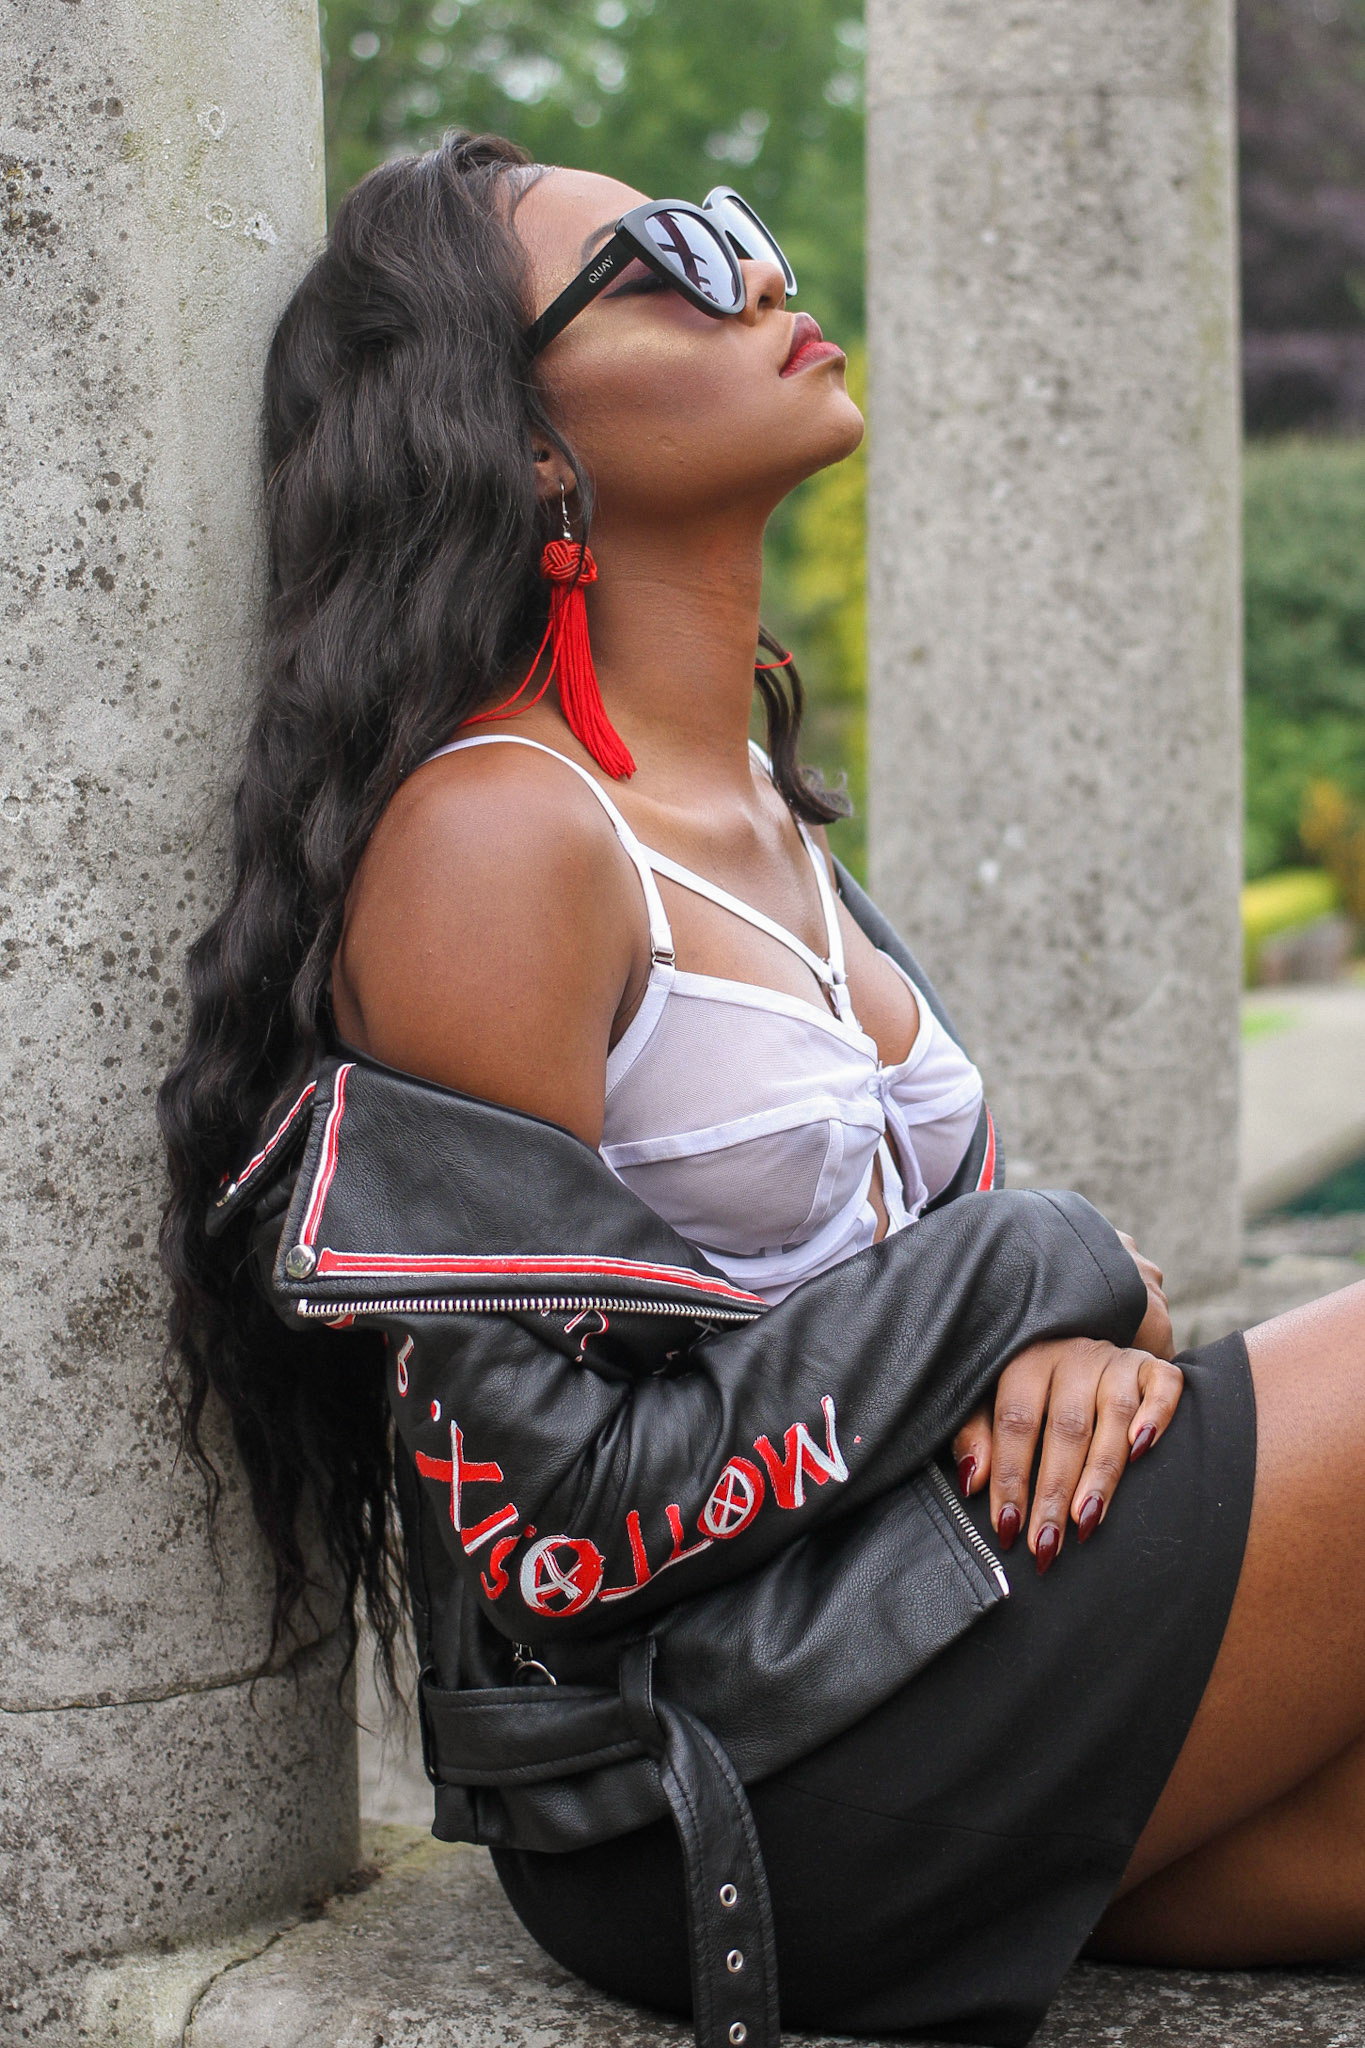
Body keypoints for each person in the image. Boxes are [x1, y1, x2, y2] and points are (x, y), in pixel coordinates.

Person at [159, 133, 1365, 2048]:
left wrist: (1077, 1350)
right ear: (517, 439)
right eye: (667, 257)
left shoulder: (773, 830)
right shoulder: (497, 840)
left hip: (951, 1638)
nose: (759, 269)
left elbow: (931, 1314)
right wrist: (1028, 1272)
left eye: (740, 230)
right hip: (719, 1769)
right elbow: (556, 1528)